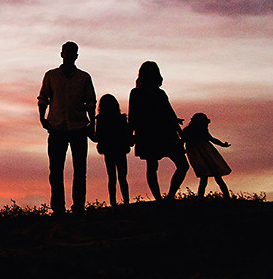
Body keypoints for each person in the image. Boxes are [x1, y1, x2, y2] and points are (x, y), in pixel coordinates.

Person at [38, 42, 97, 214]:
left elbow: (91, 101)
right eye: (67, 52)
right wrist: (42, 117)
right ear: (62, 54)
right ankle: (58, 208)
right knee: (56, 170)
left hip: (79, 127)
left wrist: (92, 123)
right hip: (57, 127)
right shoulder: (51, 76)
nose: (70, 55)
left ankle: (78, 206)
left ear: (76, 56)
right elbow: (43, 98)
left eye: (73, 53)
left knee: (79, 170)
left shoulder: (84, 77)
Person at [128, 61, 189, 201]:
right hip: (148, 133)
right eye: (148, 71)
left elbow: (170, 113)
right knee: (152, 166)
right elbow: (133, 115)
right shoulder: (136, 93)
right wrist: (130, 134)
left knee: (183, 165)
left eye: (153, 71)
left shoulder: (160, 93)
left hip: (166, 132)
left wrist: (180, 132)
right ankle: (159, 199)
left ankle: (170, 196)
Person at [93, 94, 133, 206]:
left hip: (109, 150)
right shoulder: (121, 119)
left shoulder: (101, 120)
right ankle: (125, 203)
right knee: (121, 178)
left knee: (113, 178)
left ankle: (114, 204)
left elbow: (97, 137)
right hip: (119, 150)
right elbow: (127, 135)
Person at [181, 113, 232, 199]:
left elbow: (212, 139)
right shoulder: (190, 131)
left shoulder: (198, 131)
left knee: (209, 177)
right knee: (209, 177)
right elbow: (212, 139)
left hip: (206, 154)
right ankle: (224, 197)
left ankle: (204, 198)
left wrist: (222, 144)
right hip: (202, 155)